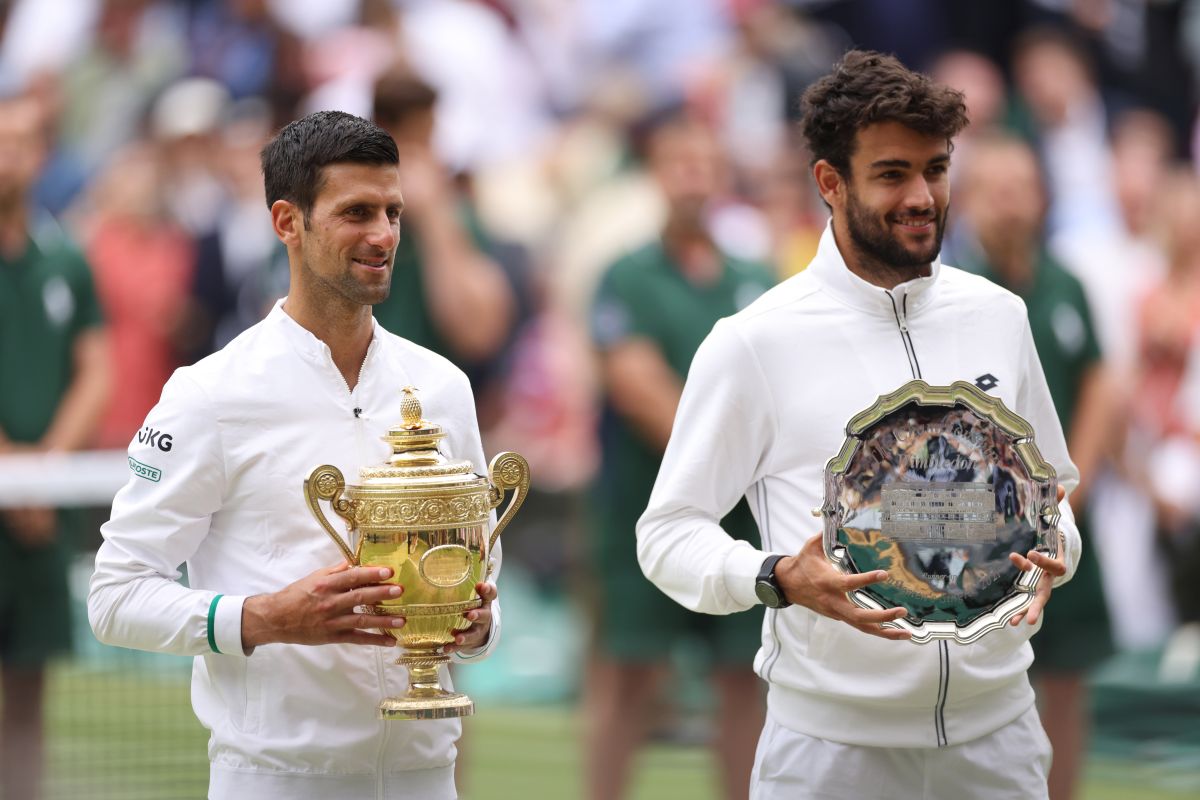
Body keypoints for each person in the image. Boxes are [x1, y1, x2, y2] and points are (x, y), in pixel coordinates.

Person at [636, 51, 1080, 800]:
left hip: (1000, 738)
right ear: (829, 183)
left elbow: (1055, 493)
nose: (923, 197)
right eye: (892, 174)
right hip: (829, 752)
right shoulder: (755, 339)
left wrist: (1052, 547)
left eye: (936, 169)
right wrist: (775, 577)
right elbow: (667, 533)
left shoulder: (999, 316)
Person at [88, 110, 501, 800]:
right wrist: (266, 617)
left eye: (394, 212)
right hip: (274, 779)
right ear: (288, 222)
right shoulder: (209, 393)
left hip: (428, 777)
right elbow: (115, 596)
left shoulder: (443, 387)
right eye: (357, 212)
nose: (384, 235)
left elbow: (486, 581)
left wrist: (477, 624)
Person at [585, 109, 773, 800]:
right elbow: (636, 387)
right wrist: (729, 462)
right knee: (627, 676)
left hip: (744, 521)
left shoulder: (757, 277)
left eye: (704, 161)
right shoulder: (625, 276)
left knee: (742, 683)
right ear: (655, 176)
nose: (692, 175)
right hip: (645, 506)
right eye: (677, 161)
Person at [958, 133, 1115, 800]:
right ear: (968, 201)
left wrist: (1066, 493)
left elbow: (1102, 383)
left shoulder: (1064, 284)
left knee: (1068, 675)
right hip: (978, 528)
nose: (1012, 205)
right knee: (979, 673)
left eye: (1022, 188)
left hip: (1062, 517)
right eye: (997, 190)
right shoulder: (954, 294)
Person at [0, 93, 111, 800]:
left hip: (40, 509)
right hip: (17, 493)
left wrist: (40, 477)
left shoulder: (65, 258)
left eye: (21, 142)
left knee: (29, 689)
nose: (8, 155)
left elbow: (98, 369)